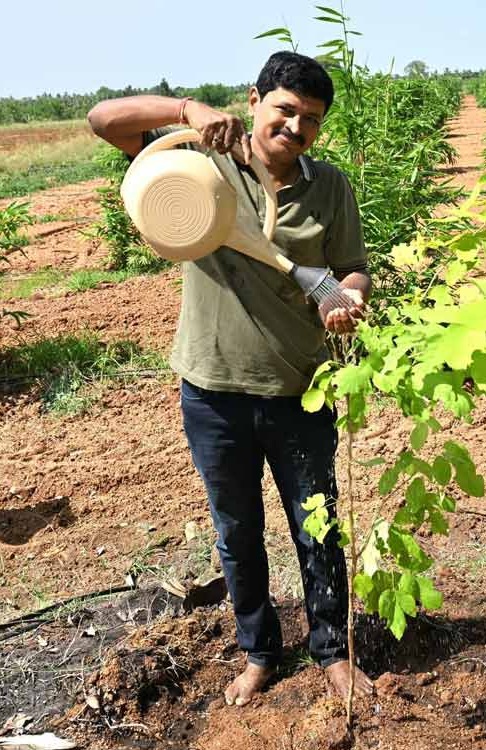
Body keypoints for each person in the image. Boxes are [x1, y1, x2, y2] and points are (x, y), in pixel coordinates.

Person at [88, 51, 375, 706]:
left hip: (303, 388)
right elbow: (104, 120)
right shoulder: (199, 159)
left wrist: (347, 297)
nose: (296, 127)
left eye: (311, 119)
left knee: (317, 524)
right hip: (213, 392)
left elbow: (352, 267)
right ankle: (259, 652)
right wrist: (187, 110)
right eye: (285, 109)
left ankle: (332, 652)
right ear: (254, 101)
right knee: (237, 530)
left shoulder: (327, 187)